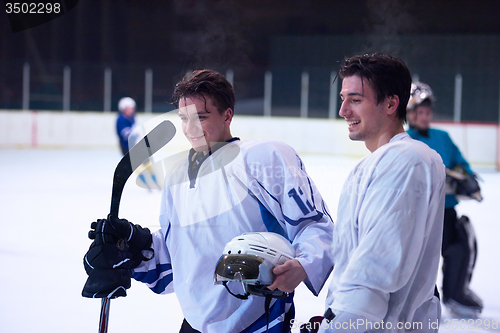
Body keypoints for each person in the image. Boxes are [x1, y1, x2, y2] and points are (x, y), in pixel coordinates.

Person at [83, 69, 334, 332]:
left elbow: (316, 225)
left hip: (259, 322)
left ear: (227, 115)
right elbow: (176, 260)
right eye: (184, 119)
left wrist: (304, 264)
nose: (190, 129)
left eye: (200, 118)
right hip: (194, 324)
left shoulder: (264, 159)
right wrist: (134, 245)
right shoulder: (177, 175)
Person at [317, 54, 446, 333]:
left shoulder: (406, 159)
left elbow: (375, 270)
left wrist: (339, 327)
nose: (343, 110)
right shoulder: (379, 163)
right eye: (343, 98)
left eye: (355, 100)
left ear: (390, 103)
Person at [406, 82, 483, 317]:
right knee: (416, 260)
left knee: (461, 243)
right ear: (409, 114)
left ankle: (455, 291)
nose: (425, 117)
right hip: (419, 216)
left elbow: (461, 164)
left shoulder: (443, 137)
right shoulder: (405, 140)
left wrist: (464, 176)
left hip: (446, 211)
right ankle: (415, 299)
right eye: (420, 112)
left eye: (428, 112)